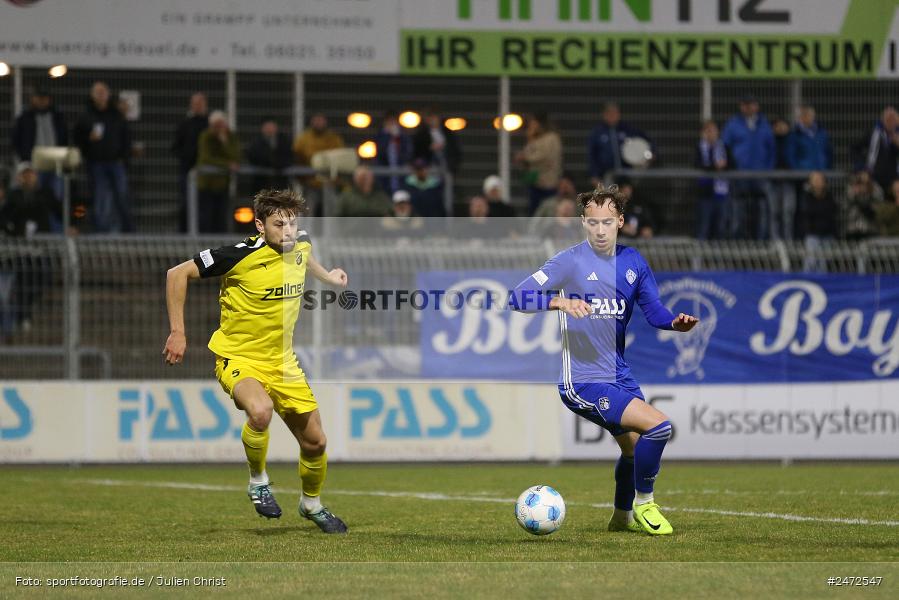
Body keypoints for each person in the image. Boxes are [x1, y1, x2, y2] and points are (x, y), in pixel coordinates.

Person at [510, 183, 698, 536]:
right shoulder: (569, 260)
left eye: (607, 222)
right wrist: (559, 302)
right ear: (583, 223)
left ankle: (620, 518)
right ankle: (645, 504)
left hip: (618, 375)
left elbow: (655, 312)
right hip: (582, 380)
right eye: (593, 222)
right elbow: (518, 297)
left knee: (633, 448)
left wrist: (675, 323)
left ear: (620, 222)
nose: (600, 230)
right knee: (658, 427)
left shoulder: (633, 263)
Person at [163, 188, 349, 533]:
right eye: (279, 225)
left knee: (316, 442)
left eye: (292, 224)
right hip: (239, 356)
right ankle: (258, 481)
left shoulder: (301, 243)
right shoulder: (238, 255)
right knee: (260, 411)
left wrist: (328, 277)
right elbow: (177, 274)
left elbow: (304, 257)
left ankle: (311, 505)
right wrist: (178, 332)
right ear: (260, 226)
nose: (288, 232)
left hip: (283, 362)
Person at [73, 81, 133, 233]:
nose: (100, 96)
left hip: (116, 162)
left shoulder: (116, 115)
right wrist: (88, 140)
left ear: (108, 95)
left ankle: (127, 231)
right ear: (92, 95)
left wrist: (124, 158)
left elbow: (126, 137)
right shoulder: (86, 116)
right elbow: (77, 139)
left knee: (122, 197)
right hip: (96, 164)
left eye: (103, 92)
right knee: (101, 198)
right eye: (97, 93)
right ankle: (101, 232)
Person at [721, 95, 776, 240]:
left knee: (762, 212)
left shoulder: (764, 124)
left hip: (760, 176)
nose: (748, 107)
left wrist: (767, 170)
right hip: (739, 176)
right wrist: (731, 169)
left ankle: (760, 245)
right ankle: (737, 246)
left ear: (756, 106)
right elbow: (724, 147)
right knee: (738, 212)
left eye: (751, 104)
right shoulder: (732, 124)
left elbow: (771, 149)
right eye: (745, 104)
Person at [11, 88, 68, 211]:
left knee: (56, 197)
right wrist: (25, 159)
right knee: (36, 196)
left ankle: (55, 228)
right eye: (39, 98)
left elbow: (65, 137)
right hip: (34, 165)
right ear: (33, 99)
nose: (42, 101)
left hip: (55, 164)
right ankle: (38, 225)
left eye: (44, 98)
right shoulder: (25, 117)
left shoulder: (57, 117)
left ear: (49, 100)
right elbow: (16, 140)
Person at [195, 111, 241, 233]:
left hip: (223, 183)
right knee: (206, 217)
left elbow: (235, 156)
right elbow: (206, 158)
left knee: (221, 216)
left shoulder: (229, 137)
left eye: (221, 124)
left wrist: (224, 142)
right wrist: (227, 164)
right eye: (216, 125)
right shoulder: (206, 136)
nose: (219, 128)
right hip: (207, 183)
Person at [587, 102, 653, 185]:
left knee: (625, 195)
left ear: (619, 114)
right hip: (605, 176)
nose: (612, 115)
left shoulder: (628, 129)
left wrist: (651, 154)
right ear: (604, 114)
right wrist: (594, 175)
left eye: (615, 112)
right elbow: (592, 155)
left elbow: (646, 141)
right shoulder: (597, 132)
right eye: (609, 112)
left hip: (627, 175)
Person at [171, 92, 209, 232]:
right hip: (187, 171)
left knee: (205, 205)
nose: (198, 106)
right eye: (195, 103)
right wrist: (186, 157)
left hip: (206, 173)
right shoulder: (185, 124)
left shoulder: (210, 124)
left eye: (200, 103)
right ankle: (185, 233)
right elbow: (175, 147)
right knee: (186, 204)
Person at [292, 113, 344, 215]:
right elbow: (296, 157)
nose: (318, 123)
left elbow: (340, 158)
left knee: (331, 214)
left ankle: (330, 231)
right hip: (310, 184)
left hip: (329, 183)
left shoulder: (334, 138)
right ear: (311, 122)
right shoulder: (303, 139)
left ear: (326, 122)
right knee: (308, 213)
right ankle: (308, 231)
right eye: (316, 120)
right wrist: (303, 178)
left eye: (321, 120)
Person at [515, 113, 563, 215]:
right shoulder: (534, 139)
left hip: (548, 182)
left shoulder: (552, 138)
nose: (531, 126)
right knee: (533, 212)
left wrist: (526, 158)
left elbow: (545, 156)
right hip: (535, 182)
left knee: (549, 211)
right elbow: (528, 152)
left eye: (533, 123)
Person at [695, 120, 730, 240]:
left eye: (713, 130)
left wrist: (724, 165)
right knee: (703, 226)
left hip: (721, 193)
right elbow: (697, 166)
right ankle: (698, 257)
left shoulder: (724, 147)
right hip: (705, 193)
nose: (711, 133)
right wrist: (715, 166)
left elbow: (733, 164)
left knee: (720, 227)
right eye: (708, 130)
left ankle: (717, 257)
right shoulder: (699, 148)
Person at [855, 106, 899, 193]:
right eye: (888, 120)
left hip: (895, 178)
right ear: (882, 120)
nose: (890, 123)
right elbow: (855, 148)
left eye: (892, 120)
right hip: (873, 176)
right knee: (859, 188)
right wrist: (861, 168)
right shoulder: (873, 133)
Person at [800, 172, 837, 273]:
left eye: (820, 180)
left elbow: (830, 214)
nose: (818, 183)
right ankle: (807, 281)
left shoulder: (830, 198)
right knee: (811, 258)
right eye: (815, 180)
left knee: (824, 262)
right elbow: (809, 214)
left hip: (827, 235)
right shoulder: (806, 198)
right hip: (813, 235)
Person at [246, 117, 294, 190]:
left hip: (281, 181)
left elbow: (289, 156)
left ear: (276, 128)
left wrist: (277, 164)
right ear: (262, 128)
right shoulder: (256, 142)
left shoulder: (284, 141)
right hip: (261, 182)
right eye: (267, 127)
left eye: (271, 126)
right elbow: (253, 157)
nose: (269, 129)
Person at [413, 108, 461, 176]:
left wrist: (453, 165)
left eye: (434, 117)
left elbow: (455, 151)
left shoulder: (448, 133)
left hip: (446, 167)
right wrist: (429, 148)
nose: (432, 120)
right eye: (429, 118)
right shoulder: (421, 135)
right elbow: (417, 152)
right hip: (429, 169)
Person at [374, 111, 413, 195]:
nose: (391, 124)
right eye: (389, 122)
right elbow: (380, 153)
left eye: (393, 121)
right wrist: (388, 136)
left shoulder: (403, 136)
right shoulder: (380, 135)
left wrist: (398, 137)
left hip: (400, 174)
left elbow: (408, 153)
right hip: (385, 175)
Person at [844, 171, 883, 241]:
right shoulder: (852, 188)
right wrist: (856, 193)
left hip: (870, 229)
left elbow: (876, 205)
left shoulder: (875, 188)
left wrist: (869, 187)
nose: (862, 185)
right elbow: (846, 204)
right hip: (853, 230)